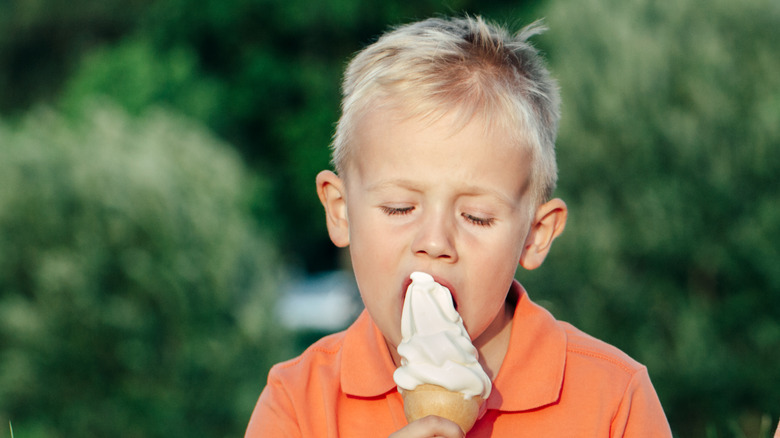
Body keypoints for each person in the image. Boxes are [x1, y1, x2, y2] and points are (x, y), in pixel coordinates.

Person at [245, 15, 672, 437]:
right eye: (398, 208)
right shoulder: (297, 404)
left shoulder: (614, 400)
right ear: (341, 212)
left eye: (476, 217)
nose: (434, 242)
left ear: (535, 235)